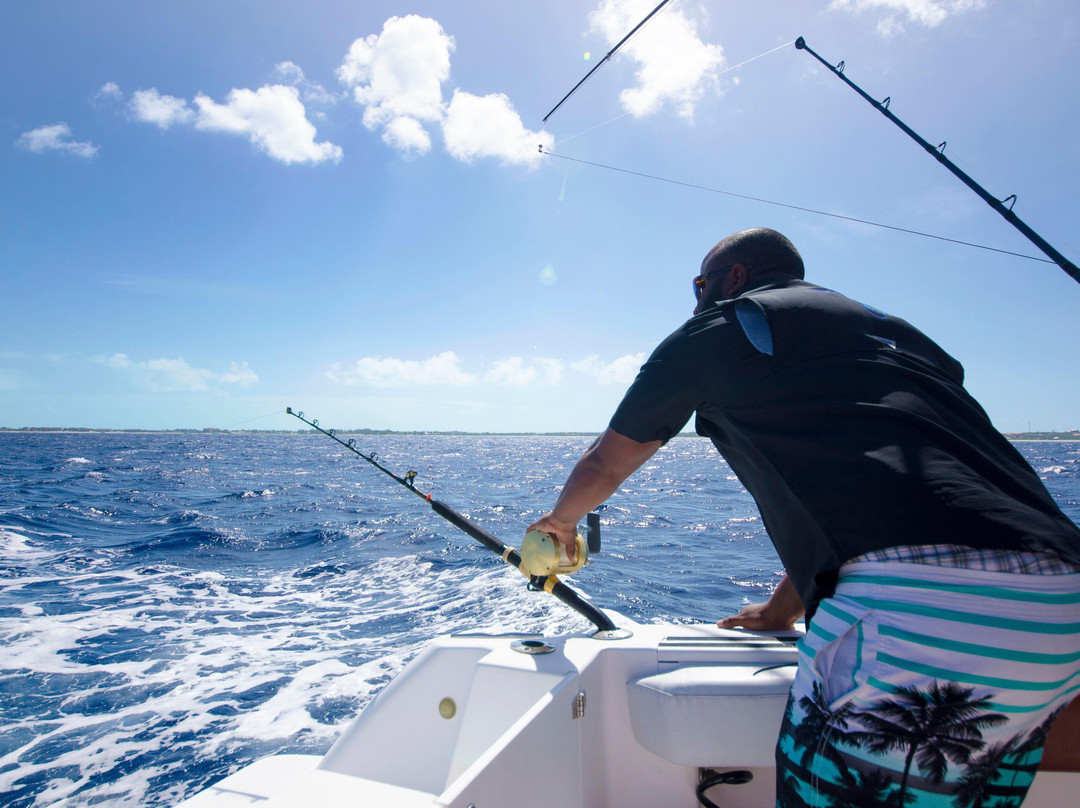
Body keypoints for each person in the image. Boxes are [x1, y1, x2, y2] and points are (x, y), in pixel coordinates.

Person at [528, 227, 1080, 807]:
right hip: (1062, 601)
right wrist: (779, 610)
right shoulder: (904, 340)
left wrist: (560, 524)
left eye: (700, 283)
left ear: (735, 277)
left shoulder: (724, 326)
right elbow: (897, 501)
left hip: (924, 615)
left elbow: (605, 462)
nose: (694, 299)